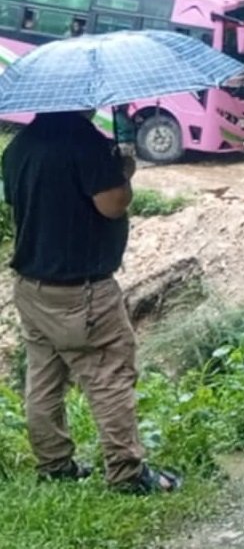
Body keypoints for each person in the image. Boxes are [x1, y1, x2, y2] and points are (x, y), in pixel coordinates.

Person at [2, 111, 180, 493]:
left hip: (32, 287)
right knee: (110, 376)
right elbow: (113, 204)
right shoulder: (87, 143)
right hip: (81, 292)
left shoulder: (18, 147)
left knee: (44, 378)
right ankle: (127, 474)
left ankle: (54, 465)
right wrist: (124, 174)